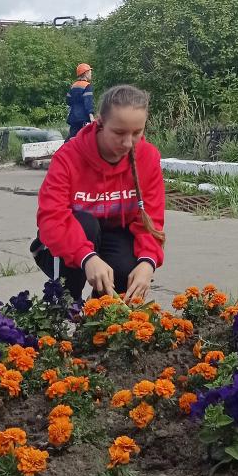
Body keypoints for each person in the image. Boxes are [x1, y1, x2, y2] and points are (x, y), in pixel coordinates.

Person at [31, 83, 166, 304]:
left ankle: (102, 314)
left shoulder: (148, 158)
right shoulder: (68, 157)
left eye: (137, 133)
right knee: (86, 225)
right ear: (100, 123)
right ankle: (65, 307)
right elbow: (51, 218)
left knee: (127, 268)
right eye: (119, 133)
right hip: (64, 242)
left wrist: (148, 262)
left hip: (113, 236)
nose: (128, 143)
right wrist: (87, 257)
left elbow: (150, 219)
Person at [66, 63, 95, 140]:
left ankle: (65, 148)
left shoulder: (73, 85)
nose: (91, 74)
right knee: (83, 138)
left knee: (72, 137)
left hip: (73, 116)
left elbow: (68, 100)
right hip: (83, 117)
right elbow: (88, 101)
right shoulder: (87, 86)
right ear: (85, 73)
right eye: (90, 72)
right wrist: (91, 116)